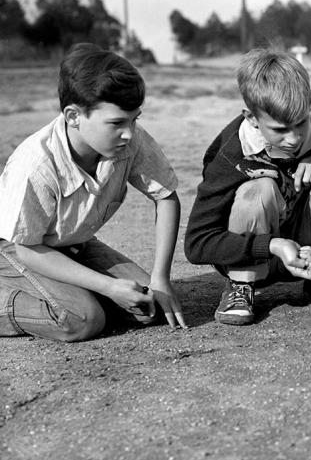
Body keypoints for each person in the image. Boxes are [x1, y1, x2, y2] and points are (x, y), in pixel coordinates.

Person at [0, 43, 187, 342]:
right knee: (82, 320)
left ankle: (77, 293)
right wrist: (108, 287)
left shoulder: (128, 139)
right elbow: (27, 249)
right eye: (116, 123)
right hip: (17, 250)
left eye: (134, 119)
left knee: (148, 305)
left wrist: (161, 277)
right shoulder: (35, 165)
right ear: (73, 116)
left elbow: (165, 196)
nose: (128, 132)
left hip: (73, 244)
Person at [184, 50, 311, 325]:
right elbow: (197, 243)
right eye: (280, 130)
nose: (294, 139)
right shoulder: (231, 153)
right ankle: (241, 285)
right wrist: (270, 245)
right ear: (251, 117)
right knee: (257, 191)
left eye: (301, 123)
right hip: (254, 253)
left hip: (305, 253)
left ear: (310, 101)